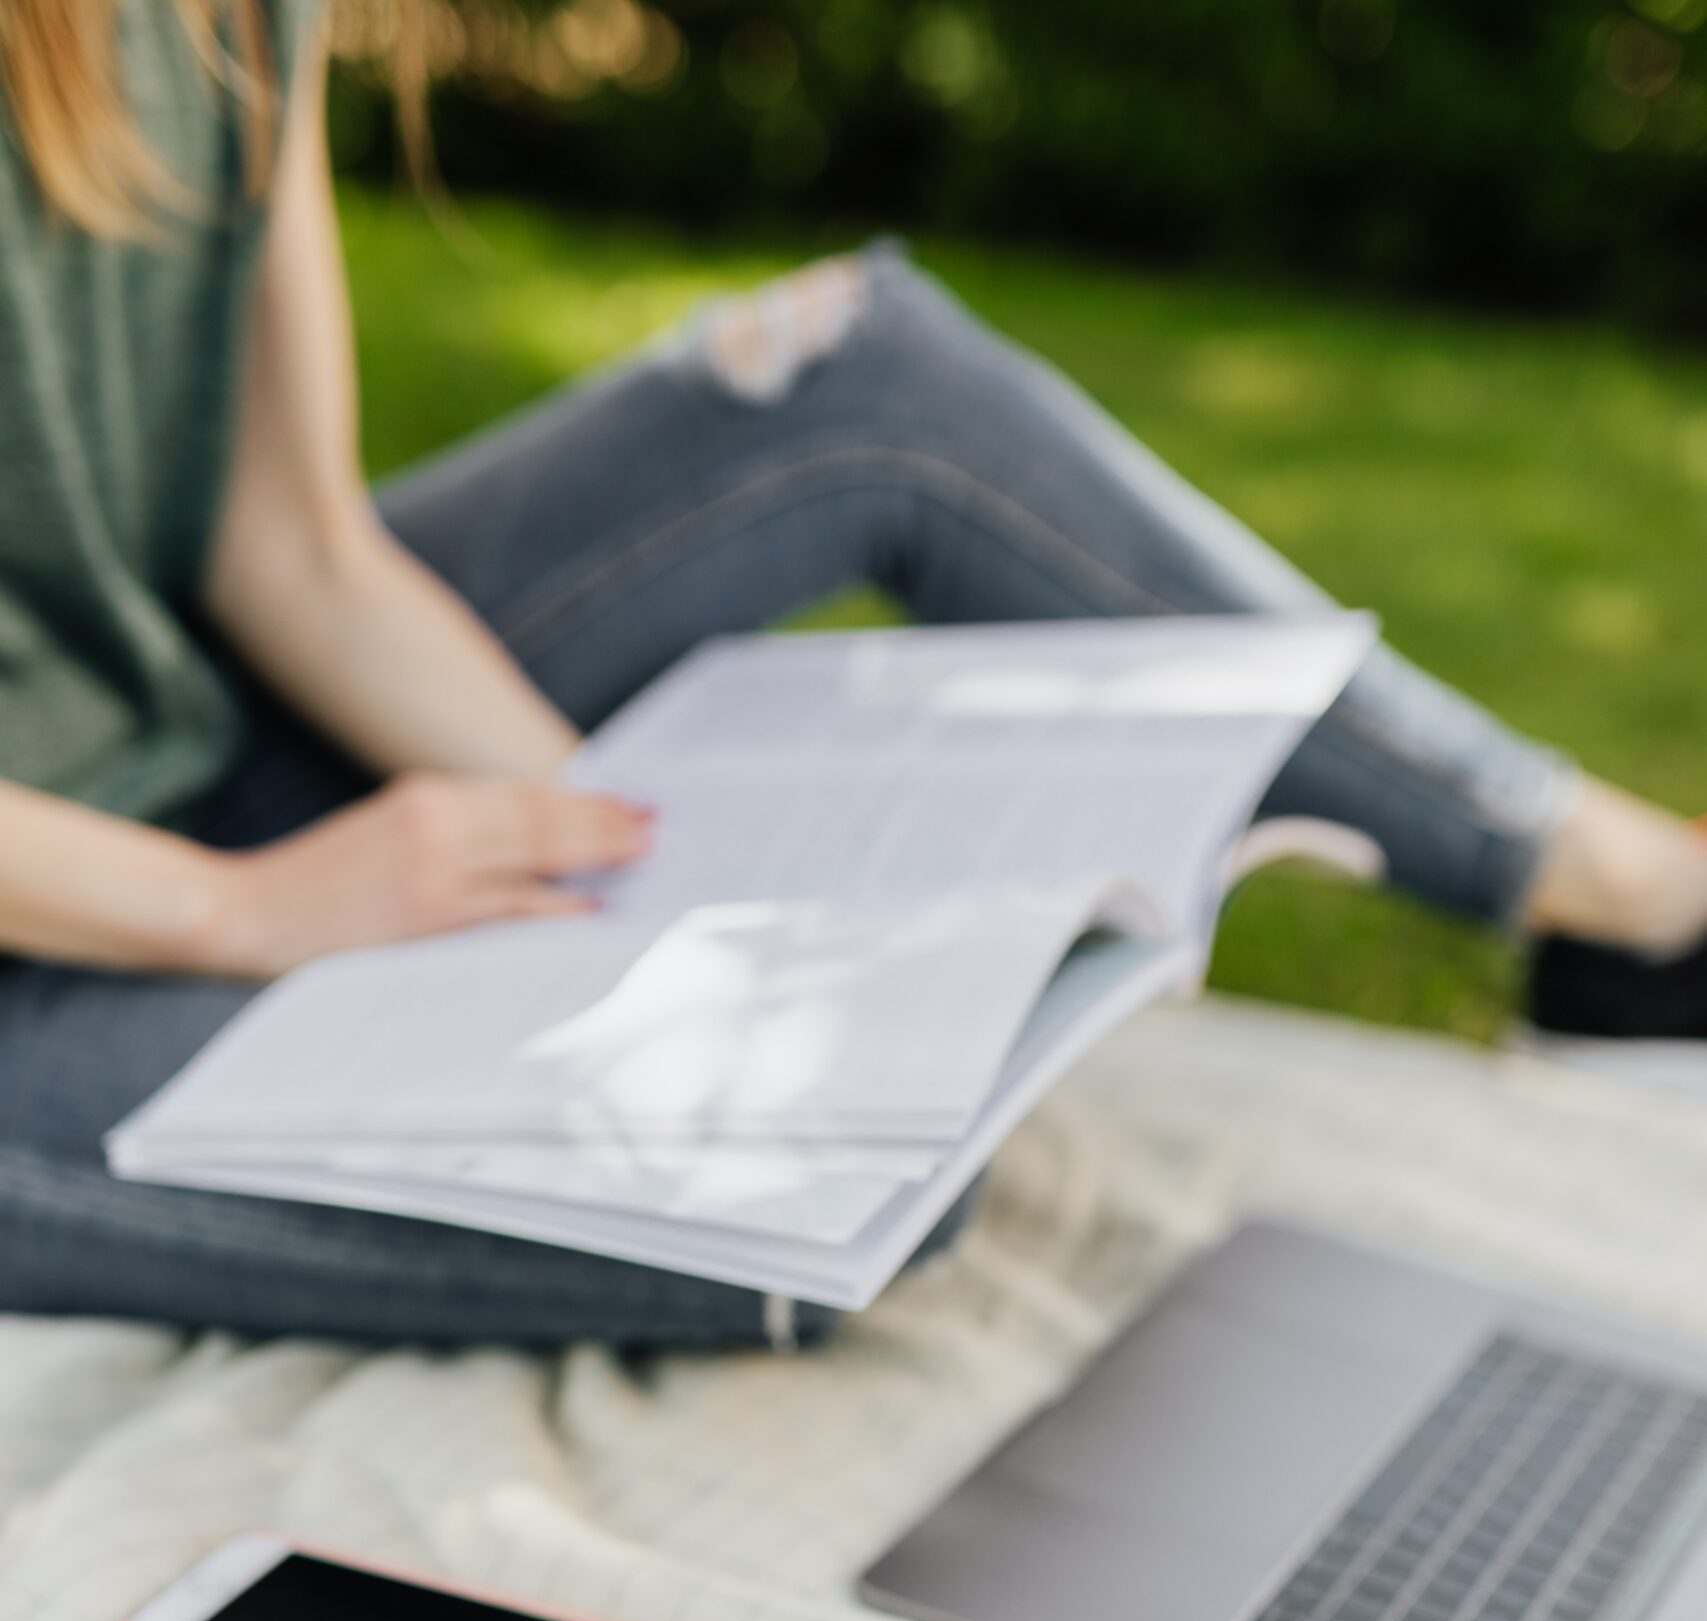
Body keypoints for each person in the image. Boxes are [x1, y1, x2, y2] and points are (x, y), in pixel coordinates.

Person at [1, 3, 1702, 1350]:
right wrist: (230, 912)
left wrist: (653, 863)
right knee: (821, 1190)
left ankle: (1645, 920)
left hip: (169, 747)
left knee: (856, 382)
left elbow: (290, 549)